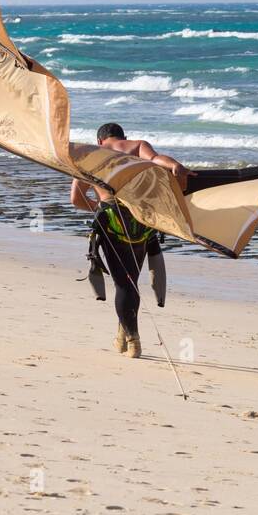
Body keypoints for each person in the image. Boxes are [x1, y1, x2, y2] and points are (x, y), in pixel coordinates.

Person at [70, 123, 193, 358]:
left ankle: (133, 340)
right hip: (140, 220)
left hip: (112, 222)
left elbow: (76, 198)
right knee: (131, 281)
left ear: (100, 141)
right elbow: (157, 160)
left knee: (123, 283)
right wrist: (175, 165)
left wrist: (100, 207)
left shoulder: (89, 155)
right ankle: (122, 334)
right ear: (123, 137)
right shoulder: (137, 146)